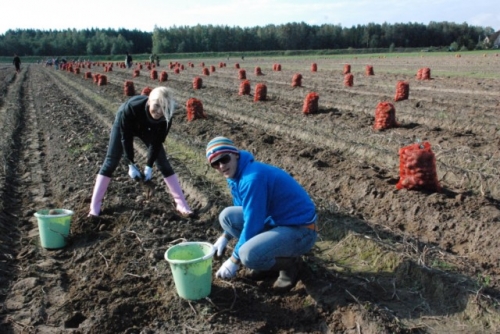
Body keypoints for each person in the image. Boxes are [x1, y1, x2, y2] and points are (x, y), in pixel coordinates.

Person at [208, 136, 317, 292]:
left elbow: (253, 223)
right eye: (215, 164)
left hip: (302, 229)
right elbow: (244, 210)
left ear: (235, 155)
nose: (221, 166)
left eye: (224, 159)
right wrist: (225, 236)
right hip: (277, 222)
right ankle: (267, 259)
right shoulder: (236, 175)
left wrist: (233, 260)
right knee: (227, 217)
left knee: (247, 255)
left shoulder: (252, 178)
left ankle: (291, 264)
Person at [89, 86, 193, 217]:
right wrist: (130, 164)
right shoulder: (131, 108)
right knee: (111, 161)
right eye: (156, 105)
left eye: (164, 107)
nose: (160, 111)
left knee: (163, 162)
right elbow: (125, 138)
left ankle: (182, 204)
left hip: (148, 128)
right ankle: (94, 208)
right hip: (128, 123)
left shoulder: (167, 116)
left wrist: (149, 166)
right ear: (149, 101)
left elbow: (156, 143)